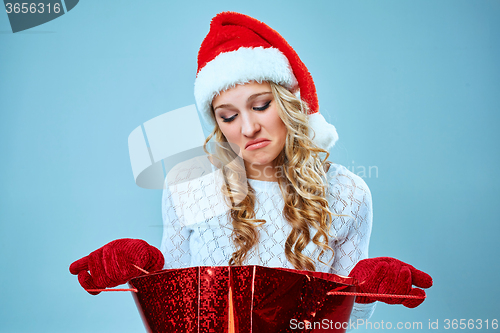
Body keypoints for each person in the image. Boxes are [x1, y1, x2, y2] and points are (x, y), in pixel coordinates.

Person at [70, 11, 432, 327]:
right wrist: (147, 270)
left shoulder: (347, 192)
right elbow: (178, 307)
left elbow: (343, 321)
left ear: (290, 104)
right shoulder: (190, 184)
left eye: (260, 106)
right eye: (228, 116)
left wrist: (361, 291)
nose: (246, 128)